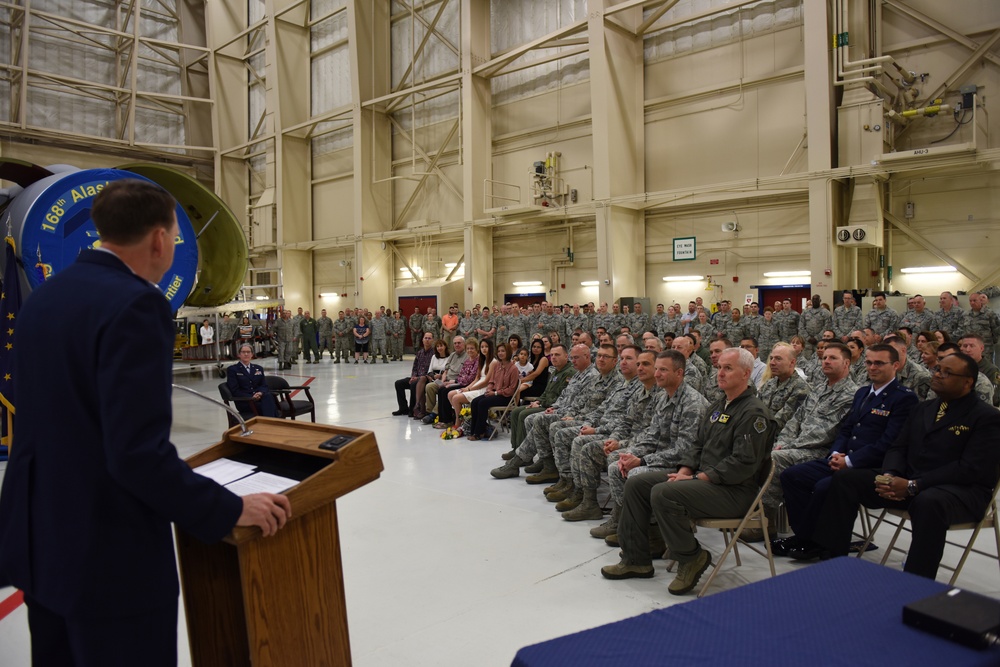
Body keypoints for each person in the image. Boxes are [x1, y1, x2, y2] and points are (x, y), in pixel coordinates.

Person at [0, 179, 290, 665]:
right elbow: (135, 453)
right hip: (106, 558)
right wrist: (228, 509)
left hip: (43, 544)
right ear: (159, 240)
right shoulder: (137, 304)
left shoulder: (45, 297)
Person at [806, 352, 1000, 579]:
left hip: (960, 491)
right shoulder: (923, 408)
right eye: (937, 369)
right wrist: (890, 475)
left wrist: (913, 485)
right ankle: (833, 559)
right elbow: (898, 447)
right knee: (846, 479)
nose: (937, 375)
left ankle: (916, 583)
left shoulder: (985, 416)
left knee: (929, 502)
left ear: (968, 382)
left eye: (947, 373)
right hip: (910, 481)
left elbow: (969, 469)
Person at [601, 348, 775, 595]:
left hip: (734, 492)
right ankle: (636, 560)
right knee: (637, 484)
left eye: (728, 368)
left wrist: (696, 477)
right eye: (719, 367)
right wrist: (684, 472)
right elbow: (697, 445)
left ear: (747, 373)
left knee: (664, 493)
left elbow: (742, 463)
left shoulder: (753, 413)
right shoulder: (719, 406)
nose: (720, 373)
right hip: (707, 483)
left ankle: (691, 556)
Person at [777, 344, 918, 560]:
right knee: (792, 476)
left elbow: (889, 443)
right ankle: (807, 536)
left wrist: (850, 461)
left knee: (826, 486)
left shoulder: (903, 398)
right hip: (844, 460)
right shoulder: (863, 393)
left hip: (872, 466)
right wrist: (836, 454)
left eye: (879, 363)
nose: (872, 367)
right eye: (869, 362)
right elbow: (847, 429)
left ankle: (822, 545)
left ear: (896, 365)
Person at [467, 342, 520, 440]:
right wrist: (489, 389)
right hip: (494, 393)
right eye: (499, 351)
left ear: (508, 352)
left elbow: (511, 389)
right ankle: (473, 430)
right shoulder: (497, 365)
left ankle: (479, 433)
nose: (500, 353)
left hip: (505, 397)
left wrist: (495, 393)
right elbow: (491, 381)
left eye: (503, 351)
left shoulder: (514, 369)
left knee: (482, 403)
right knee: (475, 402)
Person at [227, 344, 279, 418]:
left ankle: (270, 424)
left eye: (248, 352)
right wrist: (252, 396)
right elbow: (235, 390)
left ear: (252, 354)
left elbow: (264, 385)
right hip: (246, 401)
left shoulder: (258, 368)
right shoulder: (233, 369)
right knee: (270, 405)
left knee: (268, 396)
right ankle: (273, 424)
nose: (246, 354)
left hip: (260, 399)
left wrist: (260, 393)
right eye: (243, 352)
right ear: (239, 354)